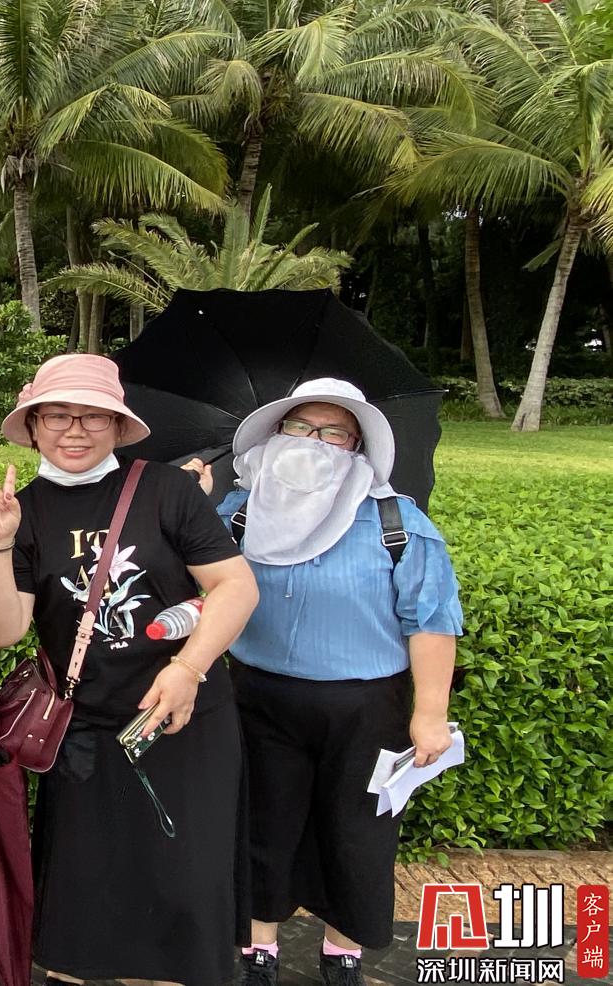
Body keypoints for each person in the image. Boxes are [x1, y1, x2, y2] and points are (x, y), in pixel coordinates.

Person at [0, 353, 259, 986]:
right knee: (88, 898)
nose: (75, 431)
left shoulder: (167, 490)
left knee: (182, 884)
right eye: (57, 416)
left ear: (119, 425)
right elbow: (0, 631)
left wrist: (189, 668)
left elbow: (236, 586)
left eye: (93, 417)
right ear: (33, 425)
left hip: (181, 721)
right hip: (85, 731)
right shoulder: (23, 512)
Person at [184, 378, 462, 986]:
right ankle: (258, 947)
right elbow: (189, 579)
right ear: (277, 432)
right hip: (258, 697)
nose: (314, 441)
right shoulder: (237, 512)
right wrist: (189, 505)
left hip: (366, 706)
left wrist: (430, 713)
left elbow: (432, 619)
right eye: (300, 426)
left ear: (357, 446)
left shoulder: (395, 520)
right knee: (261, 823)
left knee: (356, 831)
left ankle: (342, 951)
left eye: (334, 432)